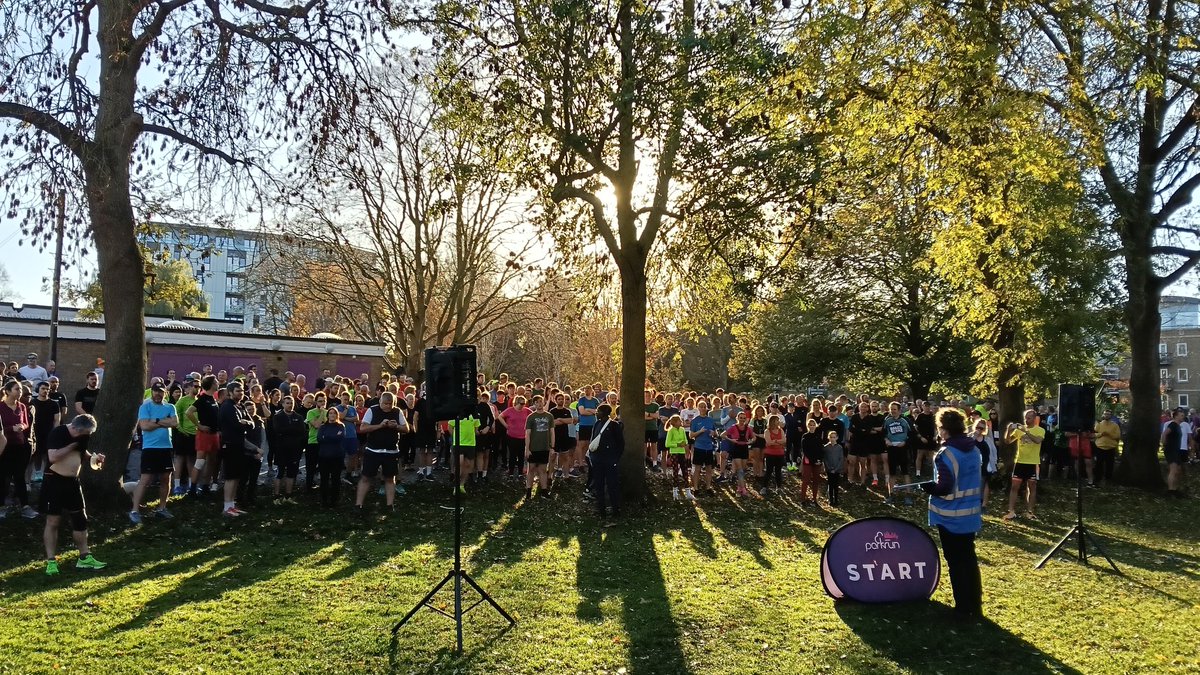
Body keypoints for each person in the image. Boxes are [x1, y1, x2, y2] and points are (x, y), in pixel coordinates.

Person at [920, 408, 984, 618]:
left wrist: (929, 488)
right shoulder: (974, 449)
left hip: (950, 516)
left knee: (956, 562)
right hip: (971, 514)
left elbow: (945, 487)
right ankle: (974, 605)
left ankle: (963, 608)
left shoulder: (945, 454)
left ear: (944, 430)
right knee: (969, 559)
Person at [40, 414, 106, 575]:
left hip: (72, 482)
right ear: (76, 428)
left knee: (80, 519)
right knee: (53, 521)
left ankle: (84, 557)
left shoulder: (83, 436)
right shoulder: (59, 433)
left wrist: (95, 458)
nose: (86, 437)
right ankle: (51, 561)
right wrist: (72, 444)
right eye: (84, 433)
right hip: (54, 481)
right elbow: (53, 457)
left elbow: (83, 452)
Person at [130, 383, 178, 523]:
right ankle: (134, 510)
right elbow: (144, 426)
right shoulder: (145, 407)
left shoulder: (170, 407)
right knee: (145, 479)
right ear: (152, 392)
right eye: (155, 391)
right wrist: (165, 422)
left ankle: (162, 508)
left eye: (160, 392)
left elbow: (175, 423)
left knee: (165, 478)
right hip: (150, 448)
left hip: (166, 447)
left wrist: (155, 420)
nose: (158, 394)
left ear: (165, 393)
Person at [356, 391, 409, 511]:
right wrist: (380, 426)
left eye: (390, 404)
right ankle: (358, 504)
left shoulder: (397, 411)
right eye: (385, 404)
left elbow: (406, 428)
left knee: (390, 478)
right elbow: (363, 428)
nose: (388, 406)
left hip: (391, 451)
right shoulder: (372, 410)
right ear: (380, 402)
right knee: (366, 477)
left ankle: (390, 505)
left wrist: (396, 426)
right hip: (373, 450)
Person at [218, 381, 259, 517]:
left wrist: (246, 422)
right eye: (237, 391)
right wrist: (244, 424)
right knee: (230, 476)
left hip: (239, 445)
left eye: (242, 391)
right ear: (230, 392)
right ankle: (226, 507)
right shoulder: (227, 406)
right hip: (229, 445)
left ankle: (232, 505)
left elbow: (252, 423)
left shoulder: (240, 406)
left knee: (237, 476)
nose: (241, 393)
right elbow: (237, 425)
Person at [0, 379, 37, 519]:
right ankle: (1, 506)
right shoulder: (1, 407)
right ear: (8, 391)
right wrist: (10, 429)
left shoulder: (22, 406)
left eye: (21, 389)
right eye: (17, 389)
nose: (20, 392)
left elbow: (26, 423)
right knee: (2, 476)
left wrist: (22, 426)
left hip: (20, 446)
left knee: (20, 476)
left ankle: (25, 506)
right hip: (4, 446)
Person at [1004, 409, 1046, 520]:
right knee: (1014, 487)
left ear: (1035, 418)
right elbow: (1008, 441)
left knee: (1032, 487)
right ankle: (1011, 511)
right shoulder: (1019, 430)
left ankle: (1030, 512)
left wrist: (1026, 431)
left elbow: (1037, 440)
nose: (1026, 420)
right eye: (1025, 418)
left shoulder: (1040, 430)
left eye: (1029, 418)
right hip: (1020, 462)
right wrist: (1008, 430)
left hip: (1033, 463)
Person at [186, 375, 221, 496]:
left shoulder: (213, 399)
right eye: (216, 382)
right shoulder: (202, 399)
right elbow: (188, 412)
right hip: (204, 435)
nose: (218, 383)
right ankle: (193, 488)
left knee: (212, 461)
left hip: (214, 434)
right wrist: (199, 426)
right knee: (200, 461)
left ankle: (205, 486)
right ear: (211, 384)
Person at [590, 404, 623, 526]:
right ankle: (601, 508)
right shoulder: (596, 424)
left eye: (598, 411)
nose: (596, 413)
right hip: (597, 459)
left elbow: (620, 443)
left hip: (610, 460)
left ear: (604, 413)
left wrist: (615, 459)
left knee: (612, 485)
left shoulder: (614, 425)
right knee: (599, 485)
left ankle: (615, 508)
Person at [270, 395, 307, 497]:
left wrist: (287, 430)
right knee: (280, 473)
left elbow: (301, 431)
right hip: (281, 449)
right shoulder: (277, 417)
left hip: (295, 449)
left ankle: (288, 495)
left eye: (291, 403)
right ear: (282, 404)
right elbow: (277, 430)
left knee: (291, 473)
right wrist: (292, 430)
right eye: (287, 403)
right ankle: (276, 495)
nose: (290, 405)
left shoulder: (298, 417)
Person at [30, 381, 62, 484]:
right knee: (35, 454)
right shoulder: (32, 402)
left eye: (47, 389)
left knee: (46, 455)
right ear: (38, 389)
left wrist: (55, 433)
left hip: (49, 432)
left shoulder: (54, 404)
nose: (45, 391)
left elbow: (57, 420)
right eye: (43, 388)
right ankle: (35, 473)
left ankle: (44, 475)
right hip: (35, 432)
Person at [523, 395, 554, 500]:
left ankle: (544, 491)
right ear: (534, 404)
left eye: (541, 401)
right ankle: (528, 491)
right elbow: (527, 433)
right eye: (537, 402)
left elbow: (552, 432)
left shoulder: (549, 416)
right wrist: (527, 449)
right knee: (531, 469)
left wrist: (552, 446)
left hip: (544, 447)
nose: (539, 404)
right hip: (533, 447)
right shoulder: (531, 417)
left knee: (543, 469)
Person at [171, 380, 198, 496]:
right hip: (183, 435)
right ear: (189, 388)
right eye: (196, 386)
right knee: (180, 459)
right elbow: (173, 414)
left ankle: (192, 485)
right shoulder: (183, 400)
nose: (198, 388)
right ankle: (177, 486)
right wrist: (180, 429)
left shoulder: (199, 401)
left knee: (191, 460)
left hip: (195, 435)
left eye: (200, 386)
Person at [316, 407, 347, 507]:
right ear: (327, 415)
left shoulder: (341, 426)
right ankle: (324, 500)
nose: (332, 415)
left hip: (337, 456)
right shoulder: (323, 427)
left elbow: (340, 437)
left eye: (334, 413)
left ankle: (334, 500)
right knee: (324, 479)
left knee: (336, 479)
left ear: (337, 415)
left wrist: (327, 437)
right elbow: (320, 438)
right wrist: (333, 437)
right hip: (324, 456)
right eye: (330, 413)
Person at [447, 411, 481, 495]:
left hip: (470, 443)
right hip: (459, 443)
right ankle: (456, 485)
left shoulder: (474, 414)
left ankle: (462, 485)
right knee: (459, 463)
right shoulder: (457, 413)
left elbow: (476, 429)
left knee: (468, 464)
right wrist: (455, 438)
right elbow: (450, 427)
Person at [1162, 407, 1192, 498]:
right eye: (1181, 415)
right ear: (1176, 416)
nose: (1183, 417)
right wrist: (1165, 444)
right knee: (1173, 470)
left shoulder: (1178, 426)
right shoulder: (1173, 425)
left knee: (1178, 471)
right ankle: (1170, 491)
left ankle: (1175, 489)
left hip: (1176, 450)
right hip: (1171, 450)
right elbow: (1164, 434)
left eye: (1183, 415)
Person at [664, 414, 691, 500]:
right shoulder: (671, 431)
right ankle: (675, 491)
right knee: (675, 471)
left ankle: (688, 491)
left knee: (685, 471)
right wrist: (678, 444)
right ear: (675, 422)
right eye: (679, 421)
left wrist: (685, 446)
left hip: (682, 452)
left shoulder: (682, 430)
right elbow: (667, 443)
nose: (681, 422)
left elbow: (685, 440)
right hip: (674, 452)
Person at [760, 413, 787, 498]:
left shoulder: (781, 430)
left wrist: (775, 441)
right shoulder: (767, 431)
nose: (778, 422)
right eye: (777, 420)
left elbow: (784, 440)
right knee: (769, 471)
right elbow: (768, 442)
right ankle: (764, 487)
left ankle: (778, 487)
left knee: (778, 471)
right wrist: (778, 442)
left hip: (780, 453)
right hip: (770, 454)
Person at [799, 418, 824, 506]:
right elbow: (805, 451)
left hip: (817, 462)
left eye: (813, 425)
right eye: (810, 425)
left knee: (816, 480)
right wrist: (813, 460)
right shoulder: (805, 436)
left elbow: (821, 449)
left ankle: (814, 499)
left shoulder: (818, 436)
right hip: (808, 461)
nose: (812, 427)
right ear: (808, 426)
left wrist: (820, 460)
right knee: (806, 480)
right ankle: (802, 499)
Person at [1093, 409, 1121, 485]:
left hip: (1110, 447)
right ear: (1103, 415)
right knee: (1099, 464)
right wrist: (1101, 434)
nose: (1106, 415)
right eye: (1105, 414)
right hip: (1100, 447)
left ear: (1111, 416)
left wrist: (1109, 434)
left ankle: (1108, 479)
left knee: (1110, 464)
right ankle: (1097, 478)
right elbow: (1094, 434)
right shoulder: (1099, 424)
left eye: (1108, 414)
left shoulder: (1115, 425)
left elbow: (1117, 436)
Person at [823, 429, 844, 507]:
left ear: (837, 438)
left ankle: (836, 499)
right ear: (829, 438)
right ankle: (831, 500)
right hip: (829, 470)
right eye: (831, 437)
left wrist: (836, 468)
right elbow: (825, 459)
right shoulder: (826, 447)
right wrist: (829, 468)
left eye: (834, 437)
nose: (832, 439)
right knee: (830, 485)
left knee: (836, 485)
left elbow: (841, 459)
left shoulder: (839, 447)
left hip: (837, 469)